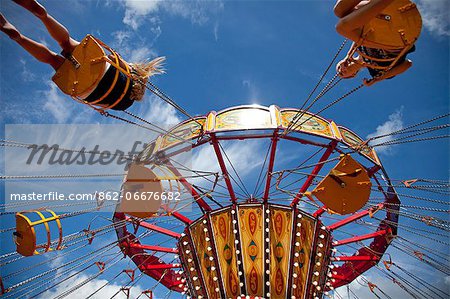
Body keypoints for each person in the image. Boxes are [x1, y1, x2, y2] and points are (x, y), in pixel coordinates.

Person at [0, 0, 164, 111]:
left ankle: (42, 14)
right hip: (84, 89)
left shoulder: (133, 76)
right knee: (52, 59)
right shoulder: (124, 105)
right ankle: (17, 37)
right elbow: (102, 106)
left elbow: (114, 59)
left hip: (101, 67)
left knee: (66, 42)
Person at [333, 0, 421, 86]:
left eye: (339, 68)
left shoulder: (357, 48)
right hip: (400, 39)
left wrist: (347, 56)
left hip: (385, 17)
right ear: (353, 74)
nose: (341, 70)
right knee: (341, 28)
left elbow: (357, 38)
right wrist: (377, 79)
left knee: (339, 11)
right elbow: (407, 64)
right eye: (342, 74)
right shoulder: (375, 72)